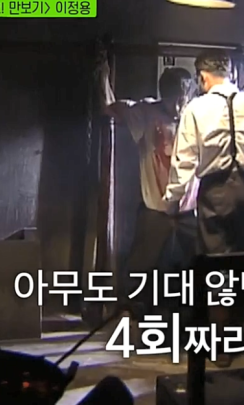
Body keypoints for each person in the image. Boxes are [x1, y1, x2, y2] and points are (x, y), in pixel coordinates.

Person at [164, 50, 244, 366]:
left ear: (203, 77)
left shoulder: (196, 108)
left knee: (217, 270)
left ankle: (223, 346)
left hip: (216, 193)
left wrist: (172, 201)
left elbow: (183, 162)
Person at [104, 67, 199, 321]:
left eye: (182, 100)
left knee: (202, 260)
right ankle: (129, 311)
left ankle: (201, 312)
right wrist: (102, 74)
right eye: (173, 100)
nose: (178, 107)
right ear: (163, 95)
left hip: (189, 209)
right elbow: (111, 108)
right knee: (140, 265)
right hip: (156, 208)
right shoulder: (146, 113)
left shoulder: (196, 115)